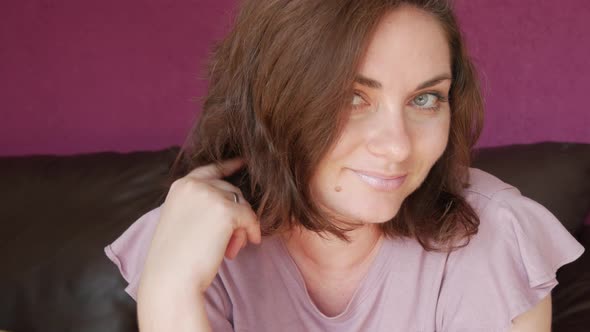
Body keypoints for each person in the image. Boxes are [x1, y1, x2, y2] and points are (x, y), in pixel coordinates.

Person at [104, 0, 585, 331]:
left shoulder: (494, 237)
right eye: (353, 98)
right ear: (275, 98)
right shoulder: (186, 241)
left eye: (424, 98)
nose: (397, 147)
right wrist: (170, 292)